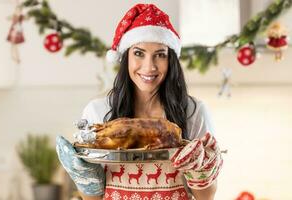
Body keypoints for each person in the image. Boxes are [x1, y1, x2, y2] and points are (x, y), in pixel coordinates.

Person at [56, 4, 222, 200]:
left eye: (160, 55)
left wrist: (201, 169)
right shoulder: (98, 111)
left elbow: (206, 197)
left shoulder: (193, 112)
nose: (149, 66)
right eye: (139, 53)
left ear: (171, 61)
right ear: (126, 57)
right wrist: (86, 178)